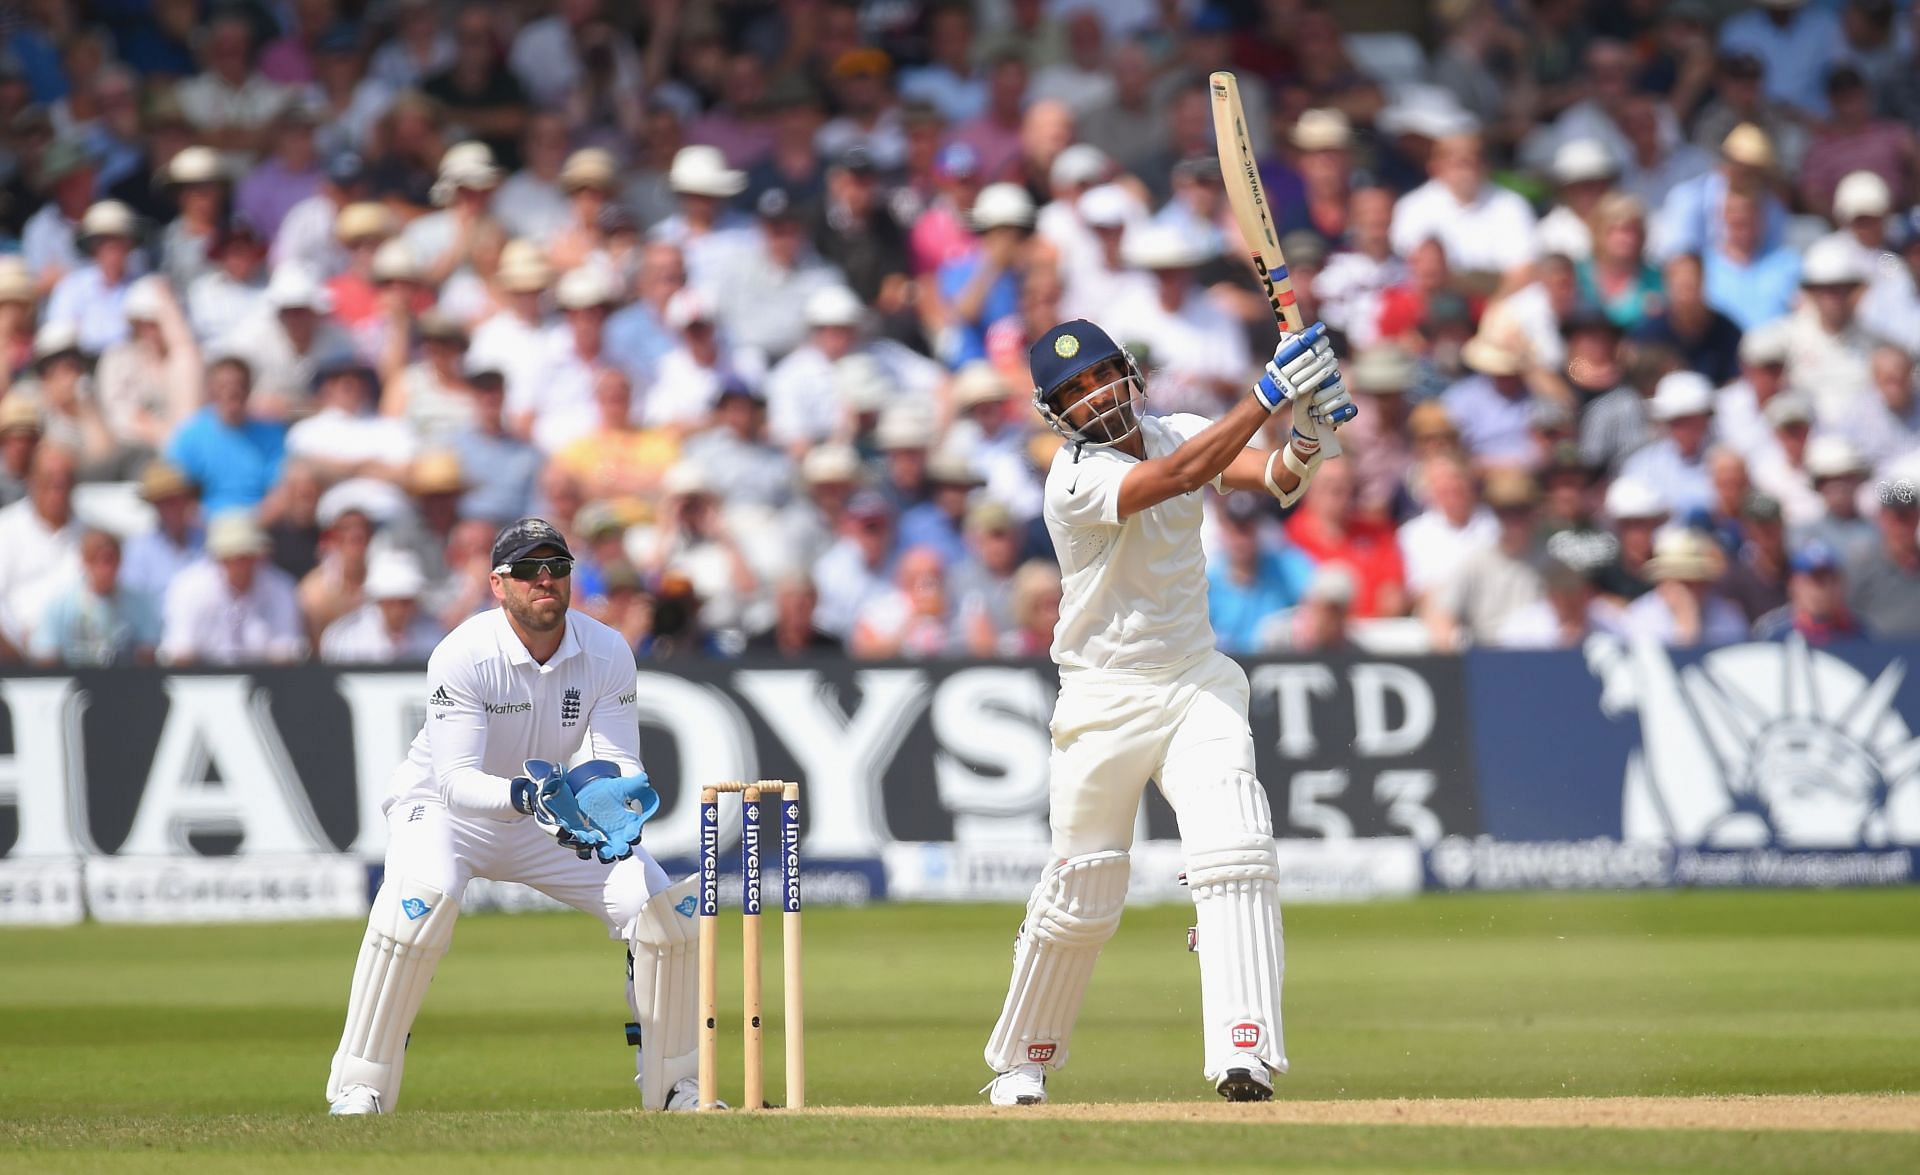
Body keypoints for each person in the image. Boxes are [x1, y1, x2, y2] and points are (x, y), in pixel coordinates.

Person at [980, 314, 1351, 1106]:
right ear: (1057, 413)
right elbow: (1180, 476)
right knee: (1085, 889)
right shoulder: (1071, 479)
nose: (1096, 396)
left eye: (1103, 373)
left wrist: (1310, 432)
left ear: (1129, 370)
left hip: (1195, 681)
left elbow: (1276, 479)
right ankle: (1022, 1058)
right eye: (1075, 391)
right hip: (1101, 699)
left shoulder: (1179, 427)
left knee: (1238, 849)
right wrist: (1268, 393)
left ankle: (1244, 1053)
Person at [325, 518, 701, 1116]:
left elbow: (616, 756)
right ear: (499, 584)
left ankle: (678, 1088)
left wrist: (606, 801)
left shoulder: (605, 650)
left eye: (556, 567)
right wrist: (531, 797)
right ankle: (358, 1088)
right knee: (420, 904)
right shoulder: (463, 653)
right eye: (528, 569)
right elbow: (455, 782)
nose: (544, 579)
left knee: (660, 912)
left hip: (547, 817)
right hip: (447, 812)